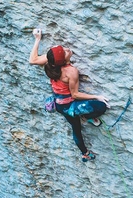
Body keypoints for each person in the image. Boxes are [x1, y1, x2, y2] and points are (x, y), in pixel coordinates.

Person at [29, 29, 109, 162]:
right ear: (63, 61)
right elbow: (75, 94)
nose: (67, 49)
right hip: (69, 105)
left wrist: (37, 39)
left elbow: (32, 60)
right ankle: (87, 117)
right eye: (64, 52)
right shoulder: (70, 72)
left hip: (60, 104)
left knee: (75, 128)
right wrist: (96, 96)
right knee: (101, 107)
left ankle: (85, 153)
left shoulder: (50, 61)